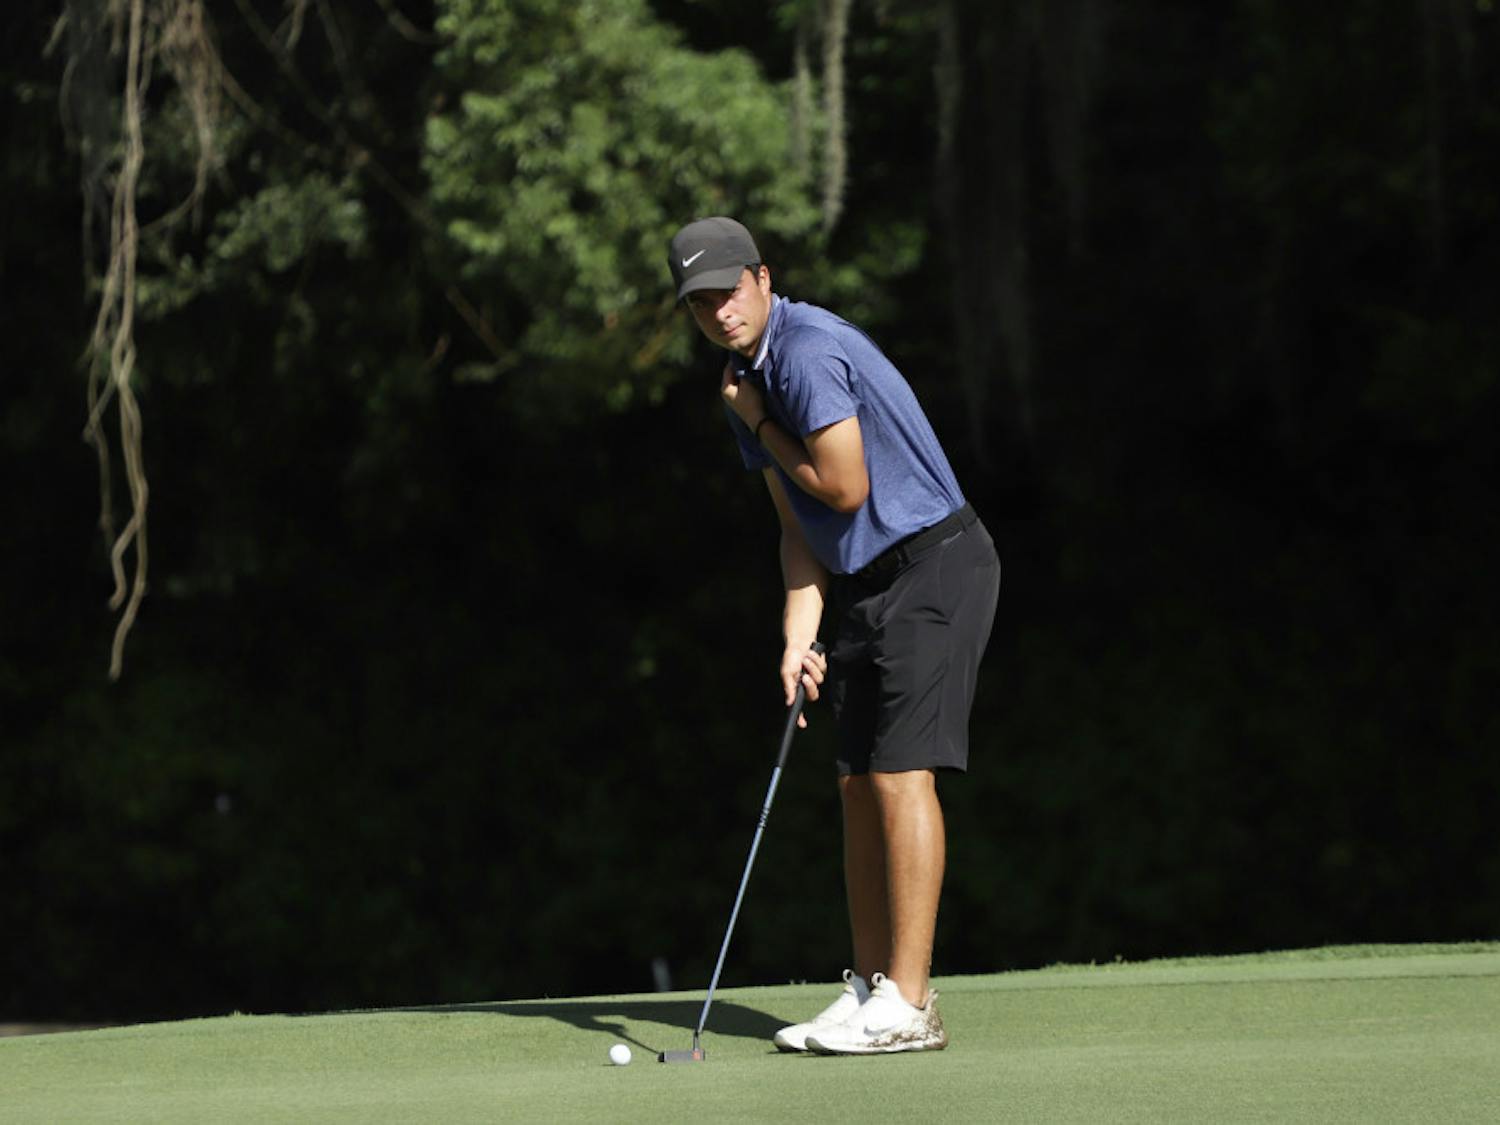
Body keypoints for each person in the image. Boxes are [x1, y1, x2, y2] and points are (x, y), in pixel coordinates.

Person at [666, 216, 1001, 1055]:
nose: (719, 312)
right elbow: (800, 527)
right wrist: (795, 635)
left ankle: (913, 1003)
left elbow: (843, 487)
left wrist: (758, 425)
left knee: (898, 776)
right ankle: (868, 989)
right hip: (864, 583)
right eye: (700, 303)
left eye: (729, 292)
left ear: (763, 279)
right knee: (855, 781)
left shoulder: (803, 356)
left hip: (936, 564)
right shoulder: (748, 379)